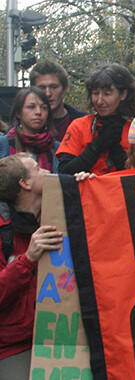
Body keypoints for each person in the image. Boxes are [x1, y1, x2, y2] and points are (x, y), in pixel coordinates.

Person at [0, 154, 62, 377]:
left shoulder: (60, 210)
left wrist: (87, 184)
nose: (46, 171)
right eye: (37, 168)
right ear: (25, 183)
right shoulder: (4, 232)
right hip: (16, 345)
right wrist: (27, 259)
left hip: (64, 335)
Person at [57, 63, 135, 175]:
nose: (99, 101)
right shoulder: (79, 126)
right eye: (95, 93)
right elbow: (64, 171)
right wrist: (97, 144)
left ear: (123, 94)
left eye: (107, 94)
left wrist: (115, 147)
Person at [0, 87, 60, 172]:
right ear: (18, 113)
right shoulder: (3, 144)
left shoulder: (57, 149)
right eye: (31, 107)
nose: (38, 112)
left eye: (44, 108)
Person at [30, 60, 87, 141]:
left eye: (54, 87)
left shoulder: (84, 123)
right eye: (42, 88)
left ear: (65, 88)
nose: (48, 93)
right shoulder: (24, 126)